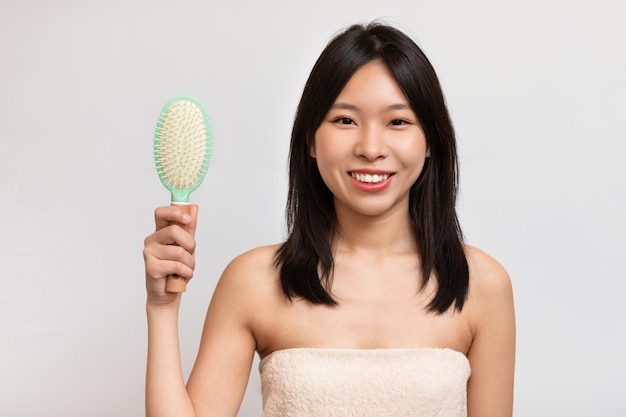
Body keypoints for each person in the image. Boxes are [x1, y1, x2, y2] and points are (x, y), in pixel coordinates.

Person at [143, 22, 515, 417]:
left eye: (398, 122)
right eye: (345, 121)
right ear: (310, 140)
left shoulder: (482, 284)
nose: (371, 149)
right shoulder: (253, 281)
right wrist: (162, 310)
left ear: (430, 144)